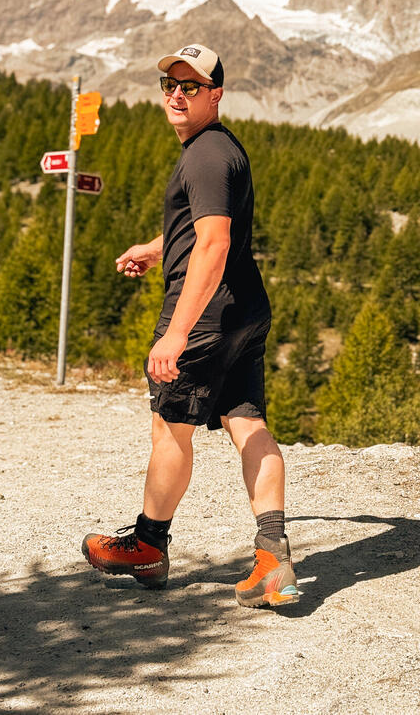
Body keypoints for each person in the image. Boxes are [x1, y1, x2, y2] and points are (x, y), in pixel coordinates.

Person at [82, 43, 298, 607]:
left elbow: (215, 241)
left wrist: (178, 332)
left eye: (192, 86)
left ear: (216, 95)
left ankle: (148, 546)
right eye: (170, 85)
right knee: (247, 424)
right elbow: (205, 225)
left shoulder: (204, 153)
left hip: (206, 314)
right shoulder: (220, 150)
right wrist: (158, 249)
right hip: (245, 309)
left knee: (169, 426)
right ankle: (273, 557)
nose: (178, 95)